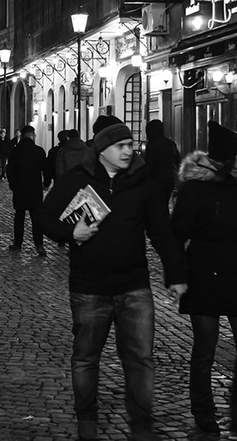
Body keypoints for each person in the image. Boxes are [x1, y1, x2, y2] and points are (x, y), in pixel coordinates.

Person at [37, 122, 188, 441]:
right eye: (121, 146)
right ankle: (87, 421)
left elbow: (161, 231)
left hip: (134, 286)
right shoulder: (76, 179)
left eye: (130, 145)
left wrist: (176, 275)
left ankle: (141, 425)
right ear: (102, 150)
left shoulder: (143, 182)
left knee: (141, 359)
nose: (128, 151)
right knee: (85, 358)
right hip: (89, 287)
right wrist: (71, 233)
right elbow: (44, 217)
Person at [171, 121, 237, 440]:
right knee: (205, 350)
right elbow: (176, 232)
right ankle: (203, 413)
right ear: (228, 157)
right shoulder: (195, 189)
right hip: (204, 277)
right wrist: (178, 275)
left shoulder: (236, 187)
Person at [6, 125, 50, 256]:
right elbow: (46, 169)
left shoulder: (15, 151)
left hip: (19, 189)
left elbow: (10, 170)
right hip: (35, 189)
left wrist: (12, 185)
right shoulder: (39, 151)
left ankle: (18, 243)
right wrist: (46, 183)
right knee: (36, 218)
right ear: (31, 135)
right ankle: (39, 245)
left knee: (19, 216)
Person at [143, 119, 181, 202]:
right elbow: (178, 161)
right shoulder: (171, 144)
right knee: (165, 201)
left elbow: (149, 163)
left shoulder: (152, 144)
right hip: (169, 178)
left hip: (155, 178)